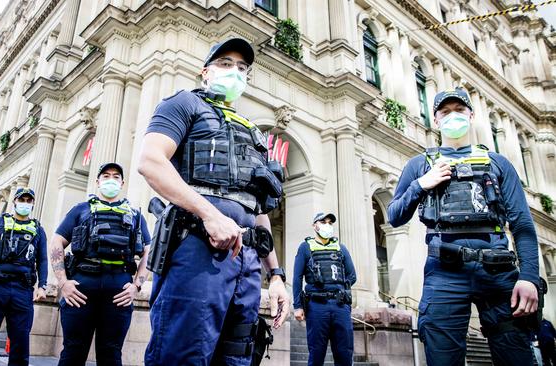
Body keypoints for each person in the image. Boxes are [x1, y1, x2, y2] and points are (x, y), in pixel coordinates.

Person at [138, 37, 290, 365]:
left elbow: (258, 209)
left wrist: (276, 275)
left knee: (237, 357)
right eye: (225, 64)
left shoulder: (254, 133)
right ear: (205, 72)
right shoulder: (182, 104)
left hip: (247, 263)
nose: (234, 72)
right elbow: (151, 162)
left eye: (241, 68)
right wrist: (208, 213)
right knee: (183, 354)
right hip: (195, 249)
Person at [387, 88, 540, 366]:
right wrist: (421, 184)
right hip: (444, 274)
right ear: (436, 119)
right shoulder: (420, 165)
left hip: (499, 273)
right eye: (445, 112)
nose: (453, 116)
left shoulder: (498, 163)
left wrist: (529, 277)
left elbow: (522, 225)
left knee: (517, 356)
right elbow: (395, 215)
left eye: (459, 110)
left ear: (471, 115)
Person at [49, 162, 152, 365]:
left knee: (111, 353)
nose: (110, 180)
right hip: (81, 287)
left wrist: (136, 287)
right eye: (106, 176)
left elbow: (148, 252)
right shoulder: (80, 210)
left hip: (119, 289)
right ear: (97, 182)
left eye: (115, 176)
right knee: (73, 351)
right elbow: (56, 243)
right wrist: (63, 283)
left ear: (122, 183)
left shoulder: (135, 216)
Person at [0, 188, 48, 366]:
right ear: (15, 201)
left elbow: (42, 260)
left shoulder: (38, 229)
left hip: (22, 289)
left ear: (33, 203)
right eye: (22, 200)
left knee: (20, 340)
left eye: (29, 201)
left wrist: (42, 286)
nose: (25, 204)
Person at [292, 213, 356, 366]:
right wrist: (297, 306)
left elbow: (352, 275)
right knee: (316, 353)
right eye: (323, 221)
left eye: (330, 222)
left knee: (345, 353)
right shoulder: (305, 247)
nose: (327, 225)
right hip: (317, 306)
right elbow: (297, 278)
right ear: (315, 225)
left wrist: (341, 289)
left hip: (340, 306)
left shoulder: (341, 248)